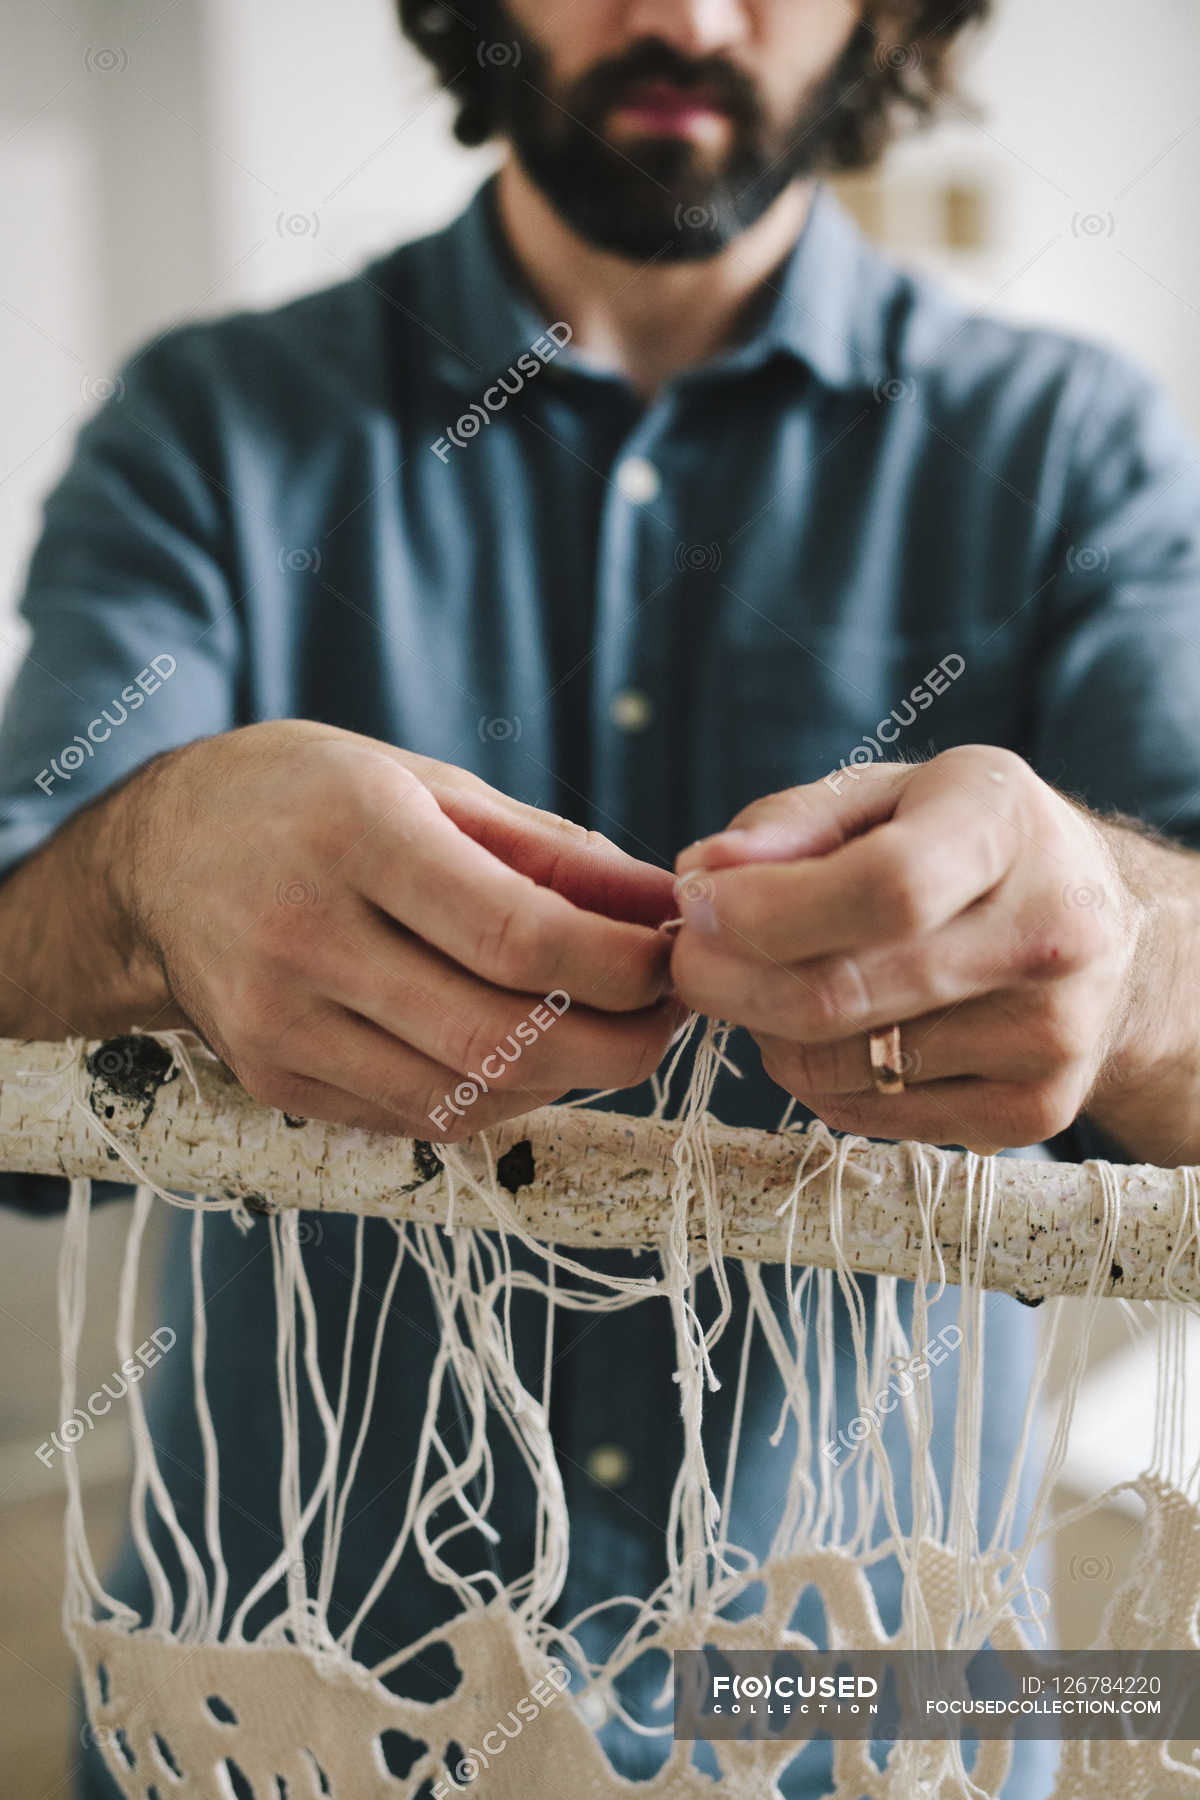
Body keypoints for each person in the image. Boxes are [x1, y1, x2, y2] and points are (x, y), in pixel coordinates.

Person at [2, 0, 1199, 1791]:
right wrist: (145, 867)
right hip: (295, 1705)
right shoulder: (212, 426)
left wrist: (1117, 942)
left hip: (872, 1715)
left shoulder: (1076, 446)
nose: (685, 16)